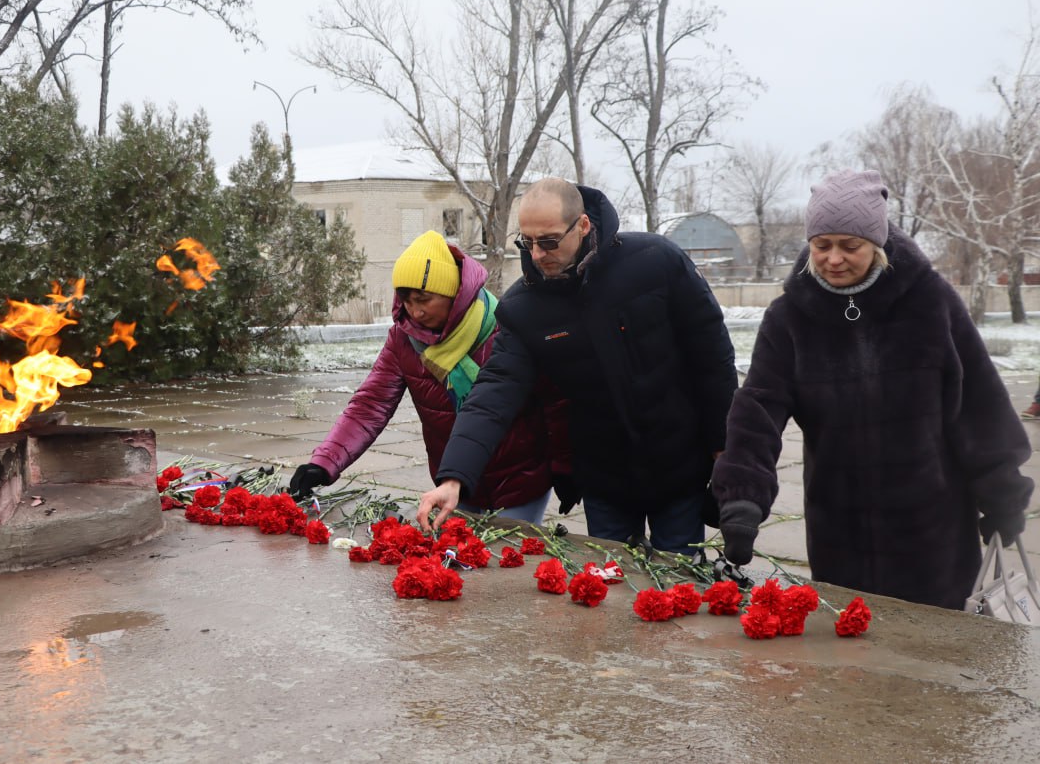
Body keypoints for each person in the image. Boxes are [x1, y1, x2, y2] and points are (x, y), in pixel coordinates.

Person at [712, 169, 1034, 610]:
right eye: (822, 245)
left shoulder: (930, 303)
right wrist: (743, 495)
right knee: (853, 651)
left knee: (936, 655)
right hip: (839, 527)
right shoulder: (790, 318)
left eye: (851, 245)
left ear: (877, 243)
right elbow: (759, 407)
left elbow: (979, 402)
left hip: (931, 525)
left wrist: (1003, 493)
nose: (834, 259)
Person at [417, 178, 738, 556]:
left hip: (679, 466)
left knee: (681, 583)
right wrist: (454, 477)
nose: (537, 254)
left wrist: (724, 445)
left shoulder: (656, 261)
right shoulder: (524, 308)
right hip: (604, 479)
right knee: (613, 588)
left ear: (583, 226)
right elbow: (493, 393)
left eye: (549, 241)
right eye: (527, 242)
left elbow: (712, 356)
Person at [288, 230, 565, 523]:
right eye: (406, 300)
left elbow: (554, 402)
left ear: (455, 293)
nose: (415, 311)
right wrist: (325, 462)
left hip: (519, 482)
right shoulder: (403, 339)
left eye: (423, 299)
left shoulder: (504, 328)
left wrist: (564, 466)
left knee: (510, 560)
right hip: (452, 484)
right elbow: (370, 405)